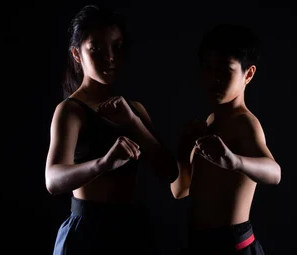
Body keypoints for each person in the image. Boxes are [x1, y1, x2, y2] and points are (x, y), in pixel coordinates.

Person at [45, 5, 178, 254]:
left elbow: (171, 172)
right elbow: (52, 180)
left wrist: (133, 123)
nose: (110, 57)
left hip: (131, 231)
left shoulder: (134, 109)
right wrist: (104, 163)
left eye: (116, 47)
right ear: (77, 54)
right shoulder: (70, 110)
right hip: (86, 233)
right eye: (96, 48)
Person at [171, 24, 282, 255]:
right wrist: (183, 152)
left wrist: (235, 161)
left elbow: (275, 173)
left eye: (225, 70)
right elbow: (179, 191)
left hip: (232, 246)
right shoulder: (210, 121)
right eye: (208, 68)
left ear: (248, 74)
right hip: (199, 244)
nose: (215, 78)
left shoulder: (244, 122)